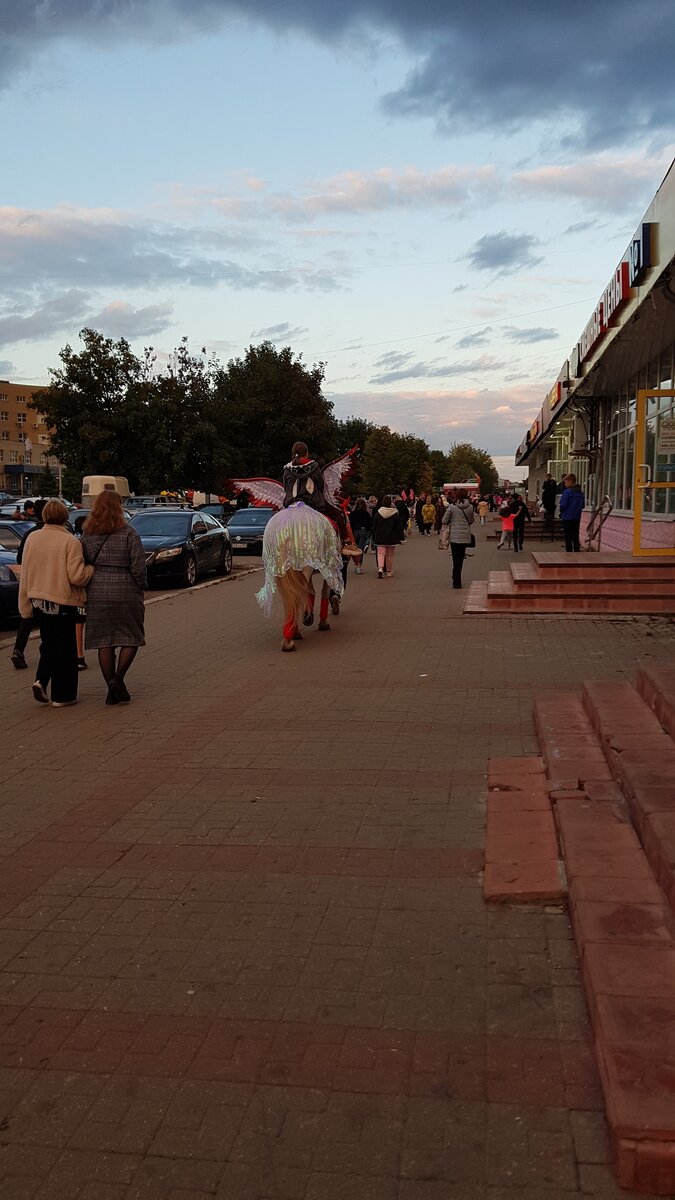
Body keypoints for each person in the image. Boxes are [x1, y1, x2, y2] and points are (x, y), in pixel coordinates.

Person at [18, 500, 93, 706]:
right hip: (63, 601)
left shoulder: (32, 538)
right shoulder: (70, 541)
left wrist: (25, 606)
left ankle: (41, 681)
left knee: (49, 643)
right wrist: (90, 570)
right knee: (66, 650)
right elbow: (77, 576)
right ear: (64, 516)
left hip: (38, 601)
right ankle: (63, 696)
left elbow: (25, 573)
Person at [81, 490, 146, 704]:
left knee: (104, 641)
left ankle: (111, 685)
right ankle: (118, 681)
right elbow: (138, 566)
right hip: (126, 588)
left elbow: (83, 561)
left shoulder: (88, 533)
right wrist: (140, 585)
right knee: (131, 636)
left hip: (97, 589)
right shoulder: (129, 532)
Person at [11, 498, 47, 669]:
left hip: (31, 582)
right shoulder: (61, 533)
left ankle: (18, 650)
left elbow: (20, 559)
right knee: (47, 619)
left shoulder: (30, 534)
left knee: (27, 618)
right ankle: (47, 654)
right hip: (48, 583)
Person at [442, 488, 475, 589]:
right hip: (465, 537)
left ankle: (456, 580)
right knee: (460, 559)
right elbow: (471, 521)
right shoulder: (470, 507)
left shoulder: (452, 507)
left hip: (455, 537)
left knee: (455, 559)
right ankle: (457, 579)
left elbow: (444, 520)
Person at [371, 496, 405, 578]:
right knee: (390, 555)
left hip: (380, 537)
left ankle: (380, 569)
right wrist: (401, 537)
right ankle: (389, 572)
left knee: (380, 553)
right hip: (391, 538)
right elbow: (399, 527)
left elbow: (374, 526)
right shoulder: (395, 514)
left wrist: (373, 536)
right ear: (390, 503)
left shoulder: (378, 514)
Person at [559, 474, 585, 553]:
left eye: (566, 482)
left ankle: (569, 553)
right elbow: (583, 505)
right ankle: (577, 552)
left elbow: (563, 505)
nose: (565, 484)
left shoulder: (567, 492)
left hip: (567, 517)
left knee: (568, 537)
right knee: (575, 536)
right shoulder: (580, 493)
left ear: (570, 481)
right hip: (576, 517)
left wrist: (561, 512)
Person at [350, 498, 372, 574]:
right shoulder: (366, 513)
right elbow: (369, 524)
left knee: (355, 549)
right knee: (360, 549)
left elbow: (350, 524)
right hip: (363, 530)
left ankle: (356, 565)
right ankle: (359, 566)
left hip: (355, 531)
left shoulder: (352, 513)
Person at [541, 473, 558, 541]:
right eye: (547, 477)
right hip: (546, 497)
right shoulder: (545, 481)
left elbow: (554, 488)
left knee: (551, 507)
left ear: (550, 477)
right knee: (546, 507)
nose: (547, 477)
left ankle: (551, 516)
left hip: (551, 497)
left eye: (548, 477)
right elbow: (543, 487)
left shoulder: (553, 482)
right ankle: (546, 516)